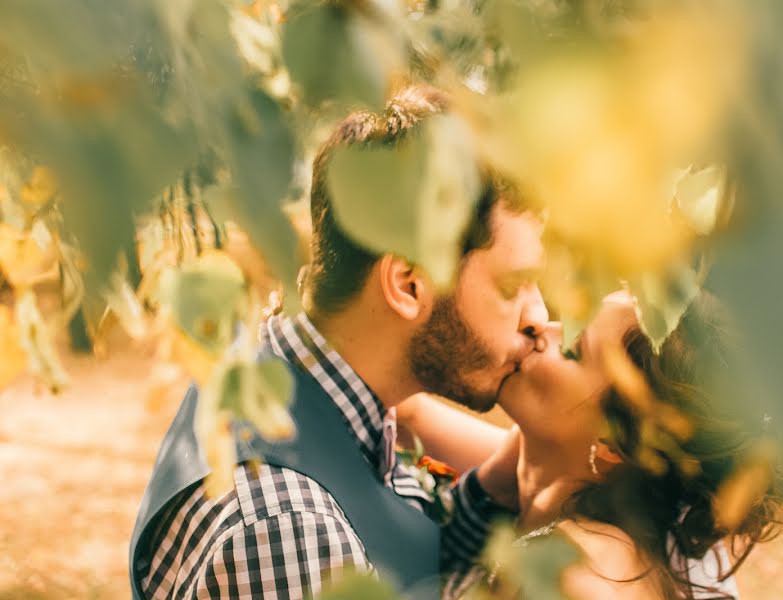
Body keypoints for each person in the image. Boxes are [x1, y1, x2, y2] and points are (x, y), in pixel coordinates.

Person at [128, 85, 549, 599]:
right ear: (408, 284)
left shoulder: (305, 380)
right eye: (512, 286)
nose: (539, 317)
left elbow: (402, 545)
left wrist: (496, 486)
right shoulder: (287, 528)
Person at [432, 290, 783, 599]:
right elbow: (416, 419)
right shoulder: (568, 477)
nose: (542, 327)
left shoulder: (578, 578)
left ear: (613, 442)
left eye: (573, 349)